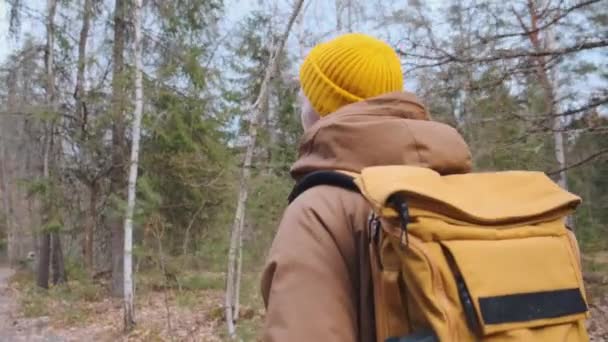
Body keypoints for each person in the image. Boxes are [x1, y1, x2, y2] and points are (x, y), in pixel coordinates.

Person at [261, 33, 472, 342]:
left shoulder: (320, 208)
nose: (300, 106)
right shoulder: (456, 190)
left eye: (305, 95)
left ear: (322, 107)